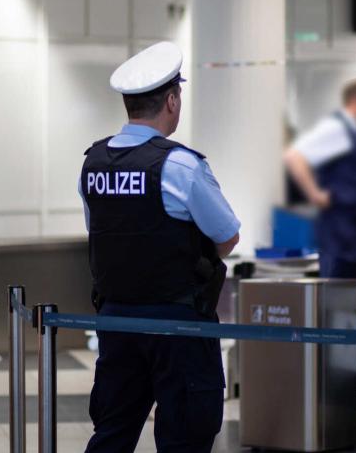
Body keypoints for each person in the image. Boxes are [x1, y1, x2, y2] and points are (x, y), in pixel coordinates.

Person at [79, 41, 241, 453]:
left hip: (115, 320)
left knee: (112, 433)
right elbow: (227, 238)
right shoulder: (180, 165)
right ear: (171, 100)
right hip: (178, 322)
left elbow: (100, 233)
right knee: (185, 437)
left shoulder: (93, 164)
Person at [284, 78, 356, 279]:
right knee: (337, 295)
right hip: (338, 231)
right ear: (355, 101)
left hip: (352, 230)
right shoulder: (337, 128)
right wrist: (315, 194)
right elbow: (294, 156)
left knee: (349, 294)